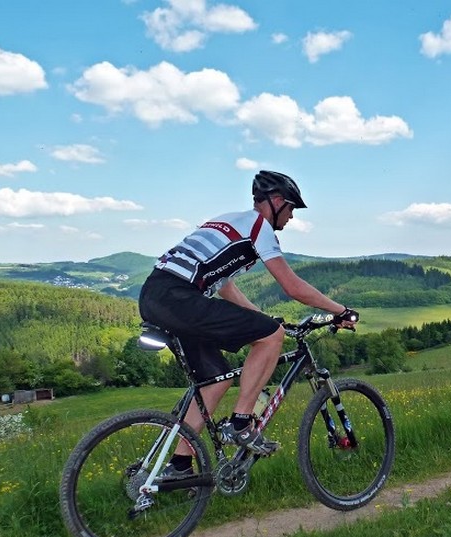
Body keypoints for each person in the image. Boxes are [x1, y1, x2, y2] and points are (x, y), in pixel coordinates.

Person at [138, 170, 358, 473]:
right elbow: (293, 287)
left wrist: (259, 317)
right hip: (178, 297)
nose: (291, 217)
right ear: (277, 201)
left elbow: (224, 284)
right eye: (291, 208)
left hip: (159, 295)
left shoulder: (230, 220)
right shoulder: (259, 227)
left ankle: (179, 465)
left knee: (216, 380)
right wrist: (340, 310)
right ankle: (241, 422)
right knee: (271, 336)